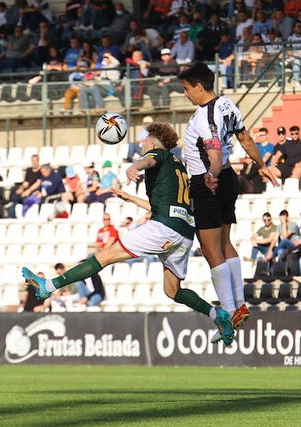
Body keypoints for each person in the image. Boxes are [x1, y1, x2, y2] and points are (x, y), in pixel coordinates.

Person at [22, 122, 236, 345]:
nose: (141, 144)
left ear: (152, 142)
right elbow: (161, 205)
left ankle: (49, 286)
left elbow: (148, 160)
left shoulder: (158, 153)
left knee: (104, 256)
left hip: (164, 228)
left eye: (144, 141)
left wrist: (134, 167)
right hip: (183, 231)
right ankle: (217, 315)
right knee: (172, 290)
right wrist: (129, 198)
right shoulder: (178, 166)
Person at [177, 63, 280, 332]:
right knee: (225, 243)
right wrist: (262, 165)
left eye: (187, 89)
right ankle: (240, 303)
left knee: (210, 248)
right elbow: (244, 138)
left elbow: (213, 150)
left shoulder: (204, 115)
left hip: (208, 182)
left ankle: (229, 308)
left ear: (200, 86)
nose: (186, 94)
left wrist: (209, 176)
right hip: (228, 178)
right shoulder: (228, 104)